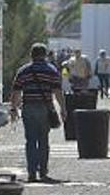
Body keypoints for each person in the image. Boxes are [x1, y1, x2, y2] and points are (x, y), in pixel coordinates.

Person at [10, 43, 67, 183]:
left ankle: (31, 172)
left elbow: (16, 91)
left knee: (30, 140)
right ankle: (43, 171)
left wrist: (13, 108)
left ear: (31, 55)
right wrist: (63, 109)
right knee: (43, 140)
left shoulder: (23, 71)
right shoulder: (51, 70)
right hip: (45, 108)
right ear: (45, 54)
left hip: (28, 108)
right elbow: (58, 92)